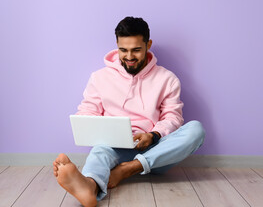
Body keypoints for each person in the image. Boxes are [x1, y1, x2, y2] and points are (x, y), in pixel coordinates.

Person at [53, 17, 205, 207]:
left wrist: (153, 135)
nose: (129, 56)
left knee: (196, 130)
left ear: (148, 45)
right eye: (123, 50)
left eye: (136, 50)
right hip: (115, 147)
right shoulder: (100, 78)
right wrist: (91, 127)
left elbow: (173, 117)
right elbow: (88, 110)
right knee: (100, 151)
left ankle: (128, 169)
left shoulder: (167, 79)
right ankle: (89, 187)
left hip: (157, 151)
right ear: (116, 45)